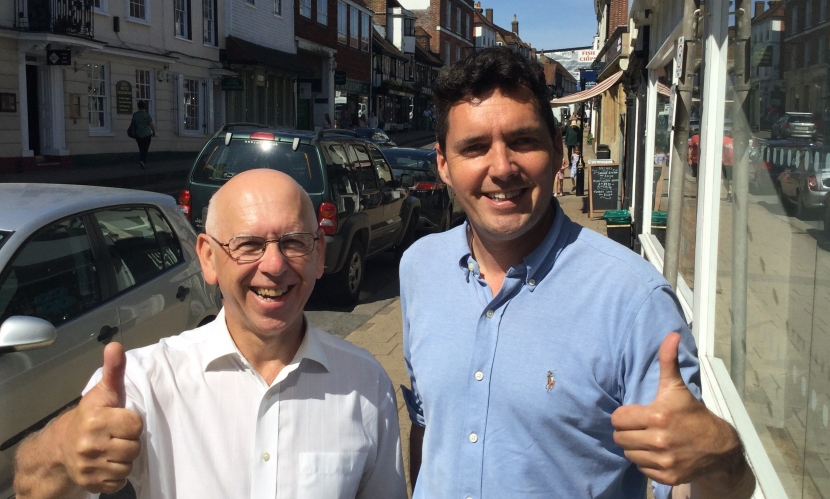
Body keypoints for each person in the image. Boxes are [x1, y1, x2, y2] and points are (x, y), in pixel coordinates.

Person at [400, 47, 755, 499]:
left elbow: (687, 479)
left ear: (557, 151)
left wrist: (721, 456)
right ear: (444, 165)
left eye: (523, 141)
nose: (502, 168)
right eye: (474, 148)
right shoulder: (418, 267)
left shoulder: (633, 299)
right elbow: (426, 422)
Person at [14, 169, 407, 499]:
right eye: (248, 245)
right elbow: (30, 488)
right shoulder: (145, 380)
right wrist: (62, 447)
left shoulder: (366, 383)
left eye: (294, 242)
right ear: (207, 257)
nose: (274, 264)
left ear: (319, 254)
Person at [130, 100, 155, 170]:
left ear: (138, 107)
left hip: (138, 135)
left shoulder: (135, 115)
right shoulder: (147, 115)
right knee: (145, 148)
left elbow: (133, 123)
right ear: (144, 107)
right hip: (147, 135)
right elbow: (151, 125)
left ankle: (141, 160)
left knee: (141, 148)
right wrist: (154, 132)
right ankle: (143, 161)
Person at [723, 132, 734, 202]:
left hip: (735, 164)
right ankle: (729, 192)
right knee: (726, 179)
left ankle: (732, 194)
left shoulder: (737, 140)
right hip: (726, 163)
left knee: (733, 180)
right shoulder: (724, 139)